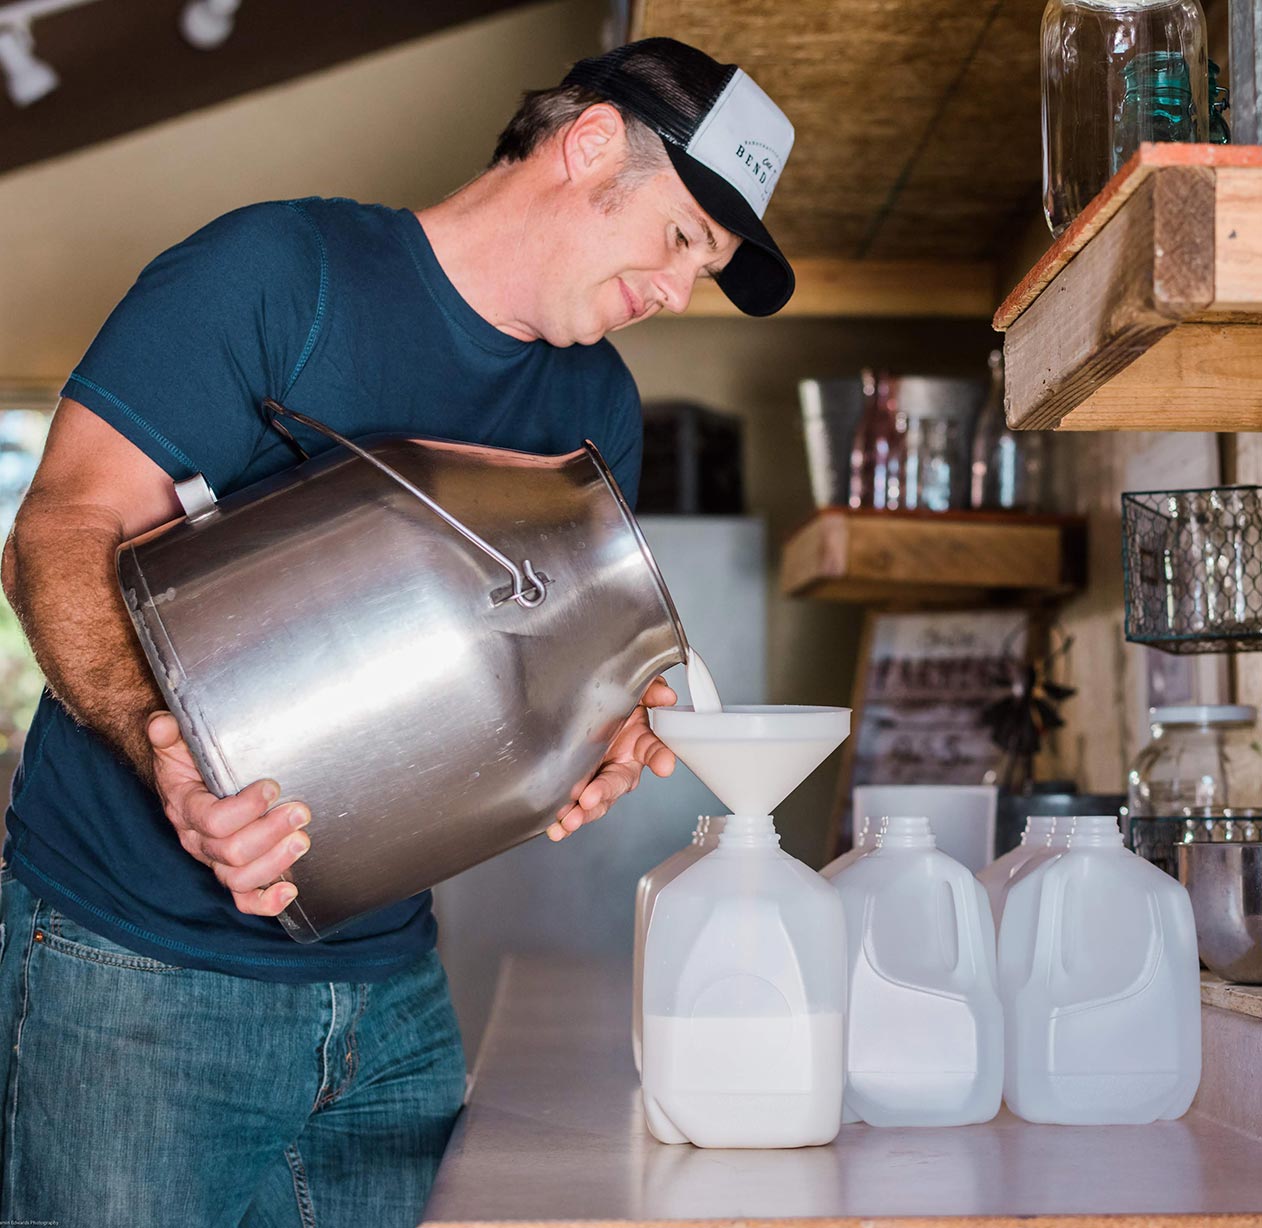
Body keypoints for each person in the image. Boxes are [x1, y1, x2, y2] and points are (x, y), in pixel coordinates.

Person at [0, 36, 796, 1227]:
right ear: (588, 149)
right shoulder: (278, 274)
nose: (677, 291)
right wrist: (168, 751)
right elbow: (56, 535)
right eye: (682, 238)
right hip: (131, 973)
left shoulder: (593, 409)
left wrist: (618, 732)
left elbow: (579, 662)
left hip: (390, 995)